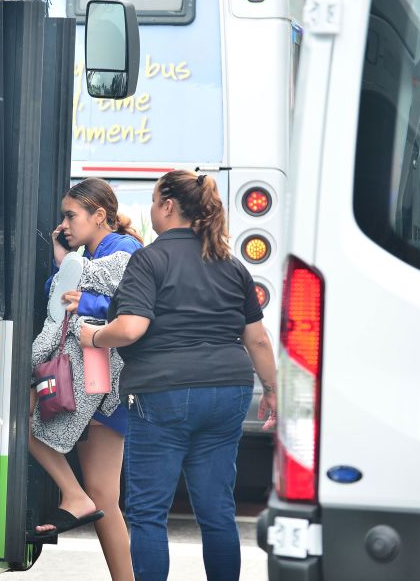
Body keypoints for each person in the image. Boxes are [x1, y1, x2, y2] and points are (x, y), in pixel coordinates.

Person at [79, 170, 278, 581]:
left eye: (154, 201)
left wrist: (94, 335)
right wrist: (272, 388)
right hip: (229, 391)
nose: (151, 209)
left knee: (149, 513)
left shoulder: (149, 259)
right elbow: (257, 340)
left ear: (168, 206)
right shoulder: (231, 264)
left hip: (164, 392)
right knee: (216, 510)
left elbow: (131, 327)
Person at [29, 178, 142, 581]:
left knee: (17, 417)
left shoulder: (124, 250)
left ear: (100, 215)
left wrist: (79, 288)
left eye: (71, 215)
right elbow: (60, 298)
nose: (64, 223)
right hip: (98, 381)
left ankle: (71, 494)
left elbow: (126, 304)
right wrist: (64, 262)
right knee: (105, 497)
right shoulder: (85, 255)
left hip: (103, 379)